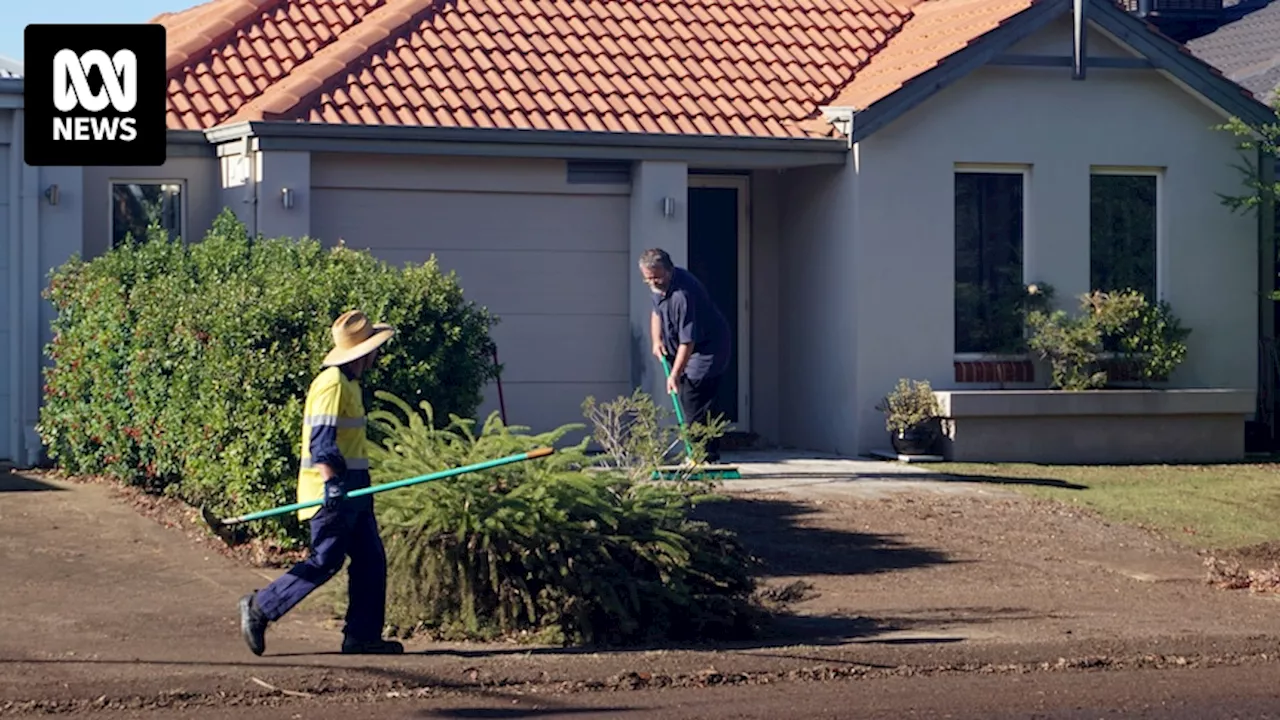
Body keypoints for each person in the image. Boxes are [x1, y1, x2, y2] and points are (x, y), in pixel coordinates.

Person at [238, 309, 405, 656]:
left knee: (371, 561)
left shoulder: (351, 384)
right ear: (364, 351)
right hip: (332, 490)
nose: (378, 353)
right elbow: (321, 442)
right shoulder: (331, 384)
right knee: (326, 559)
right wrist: (332, 484)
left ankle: (361, 636)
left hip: (356, 488)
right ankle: (260, 607)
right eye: (375, 348)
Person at [638, 248, 732, 463]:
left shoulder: (684, 295)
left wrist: (674, 374)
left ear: (670, 270)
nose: (654, 283)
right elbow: (657, 312)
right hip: (686, 346)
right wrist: (657, 340)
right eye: (649, 279)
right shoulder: (658, 286)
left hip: (708, 348)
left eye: (657, 277)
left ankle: (703, 457)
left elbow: (687, 341)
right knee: (693, 399)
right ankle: (705, 454)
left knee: (694, 398)